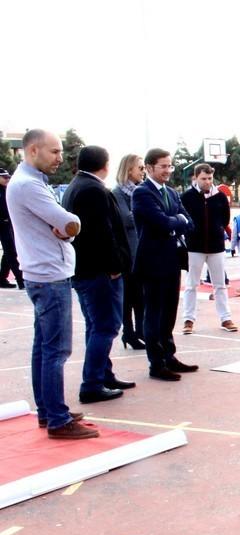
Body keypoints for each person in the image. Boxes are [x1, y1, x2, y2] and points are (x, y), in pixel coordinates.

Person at [6, 129, 97, 439]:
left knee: (44, 347)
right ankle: (57, 419)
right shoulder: (29, 185)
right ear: (33, 151)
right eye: (54, 151)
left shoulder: (27, 182)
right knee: (56, 350)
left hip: (41, 273)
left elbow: (63, 226)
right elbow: (69, 223)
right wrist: (70, 226)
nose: (61, 157)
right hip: (49, 275)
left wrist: (65, 228)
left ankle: (48, 411)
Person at [61, 145, 134, 404]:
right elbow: (102, 233)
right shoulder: (93, 190)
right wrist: (114, 266)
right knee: (105, 326)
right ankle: (92, 384)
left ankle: (103, 375)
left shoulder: (75, 186)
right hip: (99, 271)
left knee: (95, 326)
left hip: (85, 269)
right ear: (105, 164)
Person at [132, 148, 198, 381]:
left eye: (170, 166)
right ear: (149, 167)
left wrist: (176, 221)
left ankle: (169, 356)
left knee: (169, 311)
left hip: (172, 259)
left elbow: (189, 222)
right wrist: (177, 220)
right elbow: (161, 222)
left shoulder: (171, 192)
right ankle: (156, 363)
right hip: (152, 261)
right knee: (154, 313)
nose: (168, 170)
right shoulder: (142, 193)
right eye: (163, 166)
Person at [180, 164, 236, 334]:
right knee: (191, 285)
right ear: (195, 178)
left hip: (216, 247)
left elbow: (225, 219)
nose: (207, 182)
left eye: (210, 178)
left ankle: (225, 318)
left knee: (220, 285)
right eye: (203, 178)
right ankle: (188, 320)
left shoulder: (220, 197)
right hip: (194, 247)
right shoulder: (186, 197)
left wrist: (217, 230)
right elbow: (182, 218)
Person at [111, 154, 146, 349]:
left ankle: (141, 331)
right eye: (140, 168)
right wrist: (148, 212)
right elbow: (126, 219)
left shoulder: (141, 190)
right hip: (127, 252)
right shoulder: (118, 192)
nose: (143, 171)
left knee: (141, 296)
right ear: (129, 169)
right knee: (128, 298)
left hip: (141, 251)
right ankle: (129, 333)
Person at [0, 168, 24, 289]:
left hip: (7, 224)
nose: (7, 179)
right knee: (10, 252)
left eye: (8, 177)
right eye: (4, 177)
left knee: (8, 252)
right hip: (3, 224)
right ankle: (20, 280)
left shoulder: (6, 190)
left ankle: (2, 278)